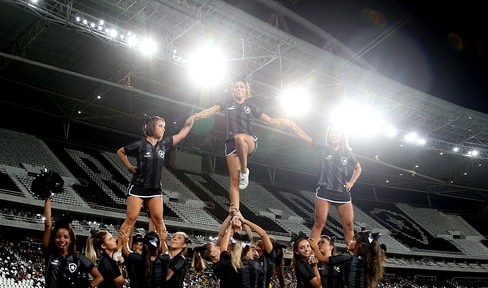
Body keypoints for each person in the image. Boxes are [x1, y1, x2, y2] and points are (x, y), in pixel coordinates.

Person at [190, 77, 291, 213]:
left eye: (242, 87)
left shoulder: (251, 106)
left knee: (240, 138)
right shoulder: (226, 102)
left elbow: (270, 120)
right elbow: (209, 111)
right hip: (231, 145)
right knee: (234, 180)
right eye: (236, 87)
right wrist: (196, 115)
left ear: (246, 91)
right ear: (232, 90)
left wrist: (285, 121)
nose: (239, 89)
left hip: (248, 141)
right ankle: (235, 210)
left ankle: (245, 170)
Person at [116, 115, 194, 252]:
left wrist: (192, 120)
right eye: (160, 126)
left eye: (164, 127)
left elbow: (181, 135)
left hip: (155, 190)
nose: (164, 129)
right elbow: (121, 152)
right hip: (138, 188)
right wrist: (129, 167)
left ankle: (164, 250)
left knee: (159, 220)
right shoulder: (139, 144)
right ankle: (118, 251)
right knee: (131, 218)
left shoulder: (164, 144)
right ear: (152, 127)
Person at [282, 121, 362, 247]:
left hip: (342, 193)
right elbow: (305, 137)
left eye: (336, 133)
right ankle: (311, 254)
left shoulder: (348, 153)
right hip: (325, 191)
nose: (333, 135)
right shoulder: (323, 148)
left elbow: (358, 168)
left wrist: (351, 182)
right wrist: (293, 126)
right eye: (331, 133)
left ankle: (352, 256)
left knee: (349, 226)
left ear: (341, 136)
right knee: (319, 222)